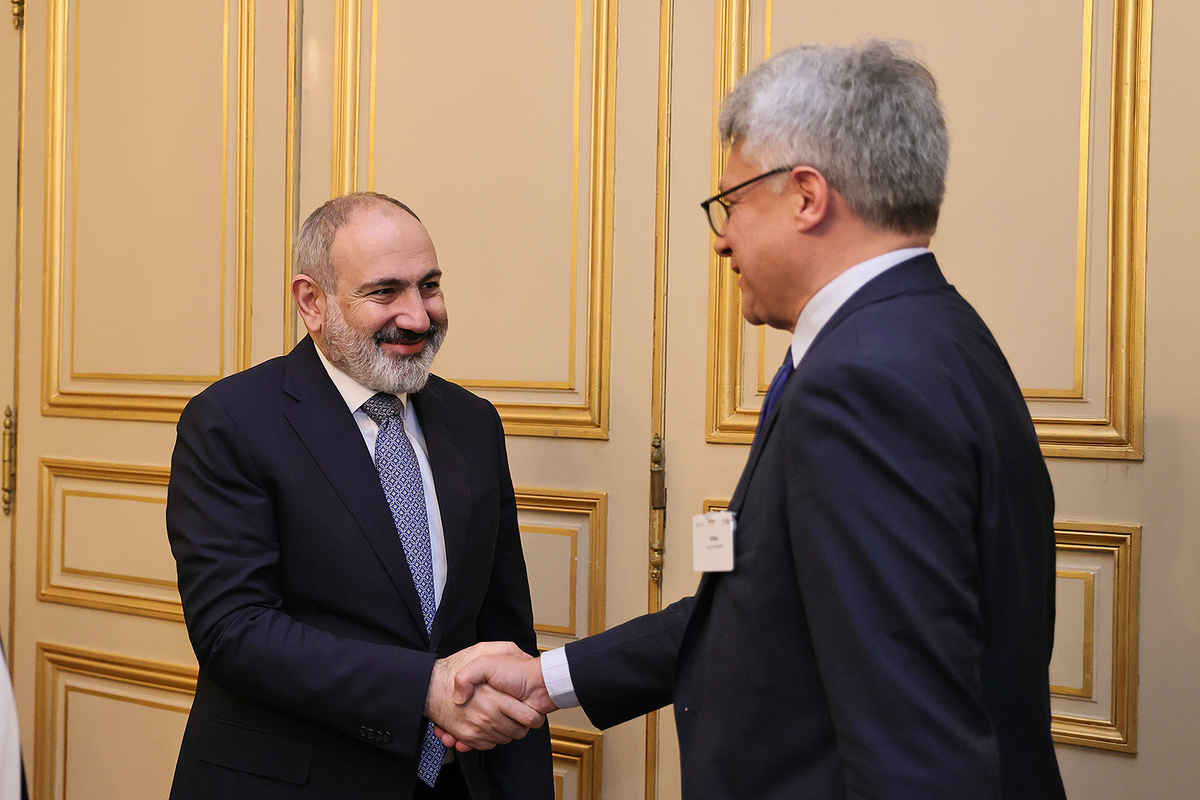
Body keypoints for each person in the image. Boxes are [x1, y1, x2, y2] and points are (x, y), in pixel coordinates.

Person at [448, 41, 1068, 800]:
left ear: (807, 196)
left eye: (732, 202)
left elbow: (911, 739)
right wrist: (550, 678)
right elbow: (774, 609)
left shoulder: (861, 384)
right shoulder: (936, 331)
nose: (721, 238)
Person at [166, 192, 553, 799]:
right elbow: (234, 631)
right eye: (385, 292)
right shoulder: (232, 422)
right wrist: (423, 686)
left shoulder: (473, 423)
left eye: (429, 286)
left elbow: (505, 633)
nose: (418, 316)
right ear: (312, 302)